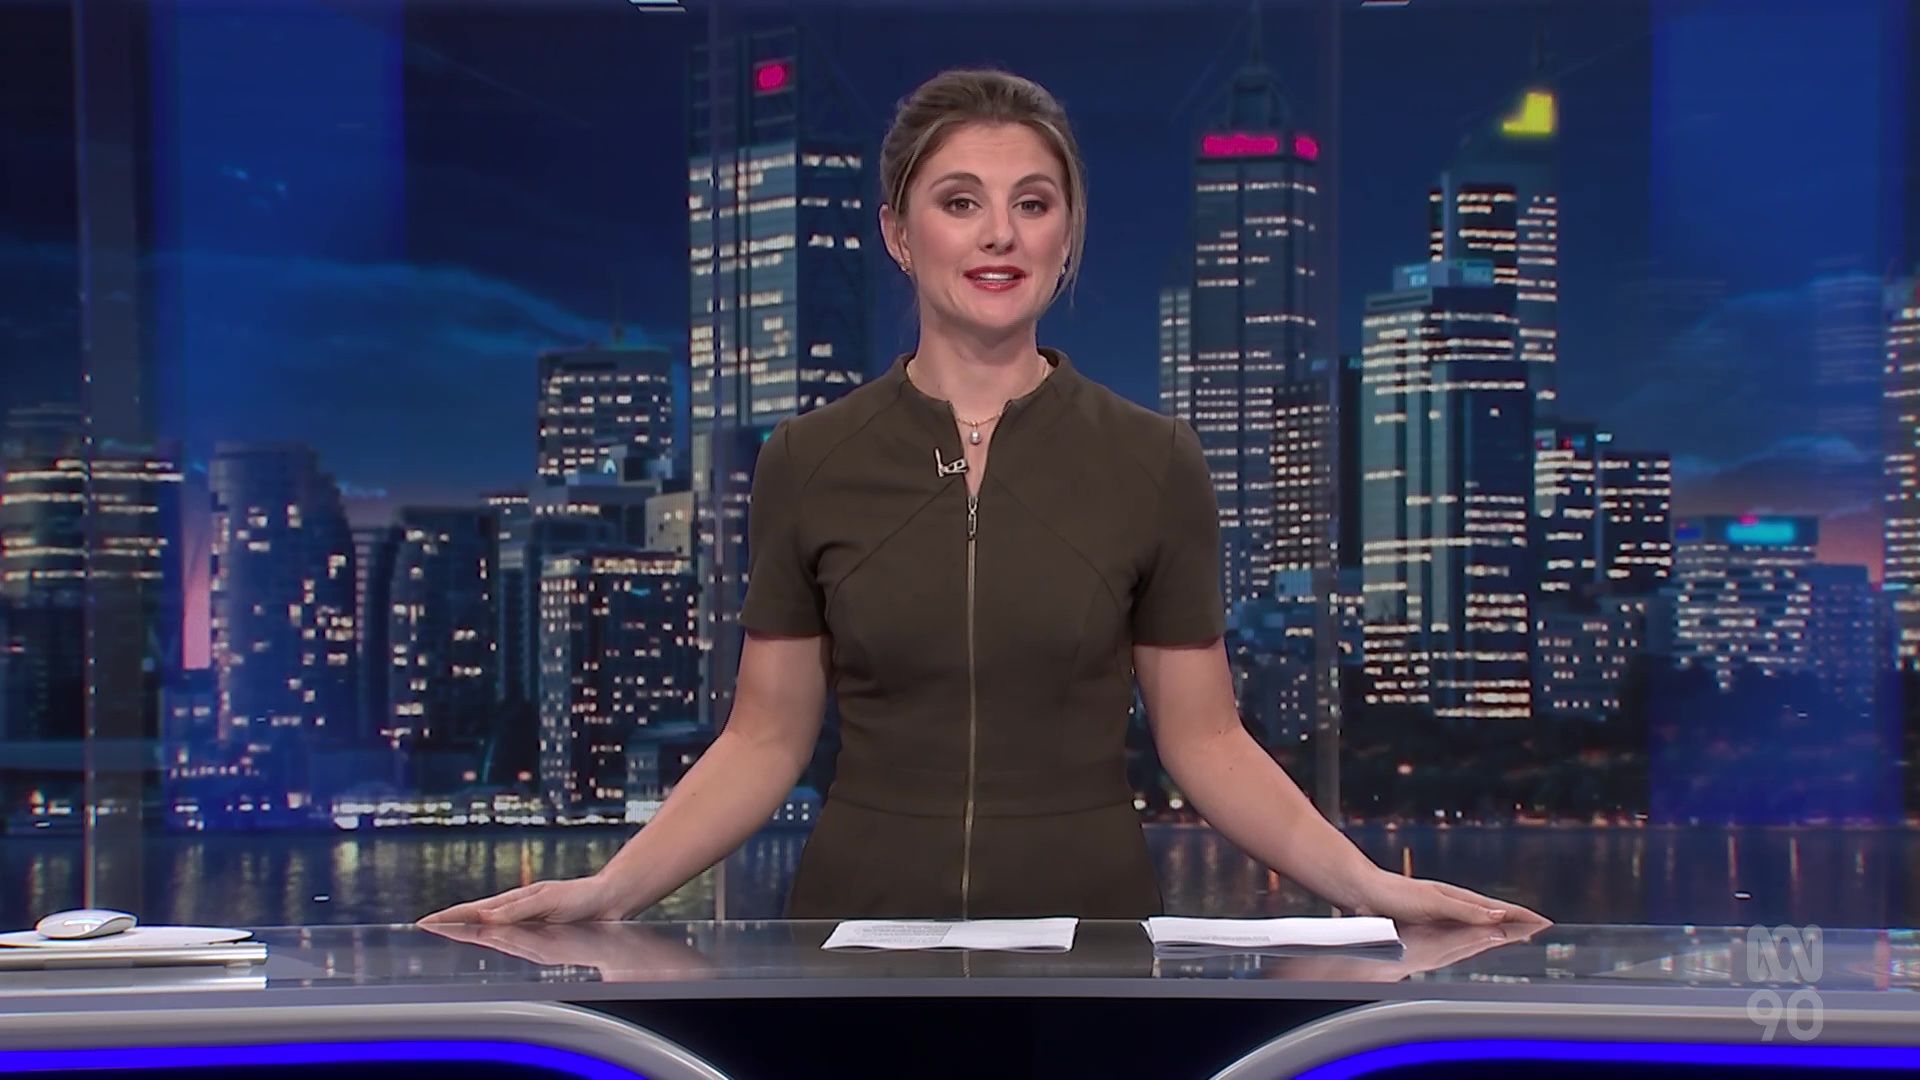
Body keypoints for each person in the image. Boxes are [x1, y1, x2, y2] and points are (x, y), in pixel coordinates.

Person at [421, 68, 1544, 929]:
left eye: (1032, 203)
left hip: (1091, 936)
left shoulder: (1154, 460)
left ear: (1066, 238)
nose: (1000, 233)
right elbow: (764, 738)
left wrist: (1369, 888)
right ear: (899, 234)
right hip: (854, 935)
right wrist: (609, 890)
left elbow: (1206, 740)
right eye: (961, 202)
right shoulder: (808, 459)